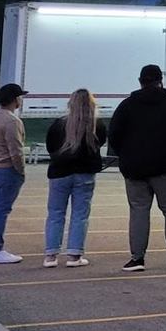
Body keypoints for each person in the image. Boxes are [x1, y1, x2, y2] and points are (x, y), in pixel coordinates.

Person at [108, 64, 166, 272]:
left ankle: (137, 258)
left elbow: (114, 135)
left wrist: (126, 156)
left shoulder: (127, 106)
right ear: (161, 81)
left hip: (135, 168)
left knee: (139, 211)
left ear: (140, 82)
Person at [43, 88, 107, 268]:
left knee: (55, 213)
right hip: (84, 173)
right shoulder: (96, 126)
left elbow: (51, 148)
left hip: (60, 173)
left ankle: (51, 255)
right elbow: (99, 143)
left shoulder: (58, 124)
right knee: (80, 214)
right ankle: (74, 255)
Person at [0, 82, 29, 265]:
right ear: (15, 100)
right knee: (0, 210)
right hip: (5, 170)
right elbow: (15, 150)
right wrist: (21, 171)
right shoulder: (11, 121)